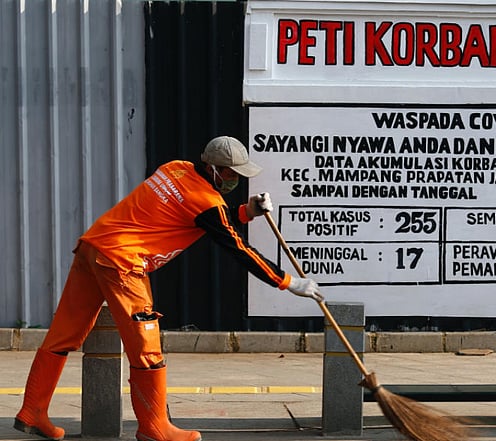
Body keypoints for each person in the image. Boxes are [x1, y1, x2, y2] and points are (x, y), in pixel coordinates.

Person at [14, 136, 323, 441]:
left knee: (63, 334)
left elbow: (182, 215)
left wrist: (245, 212)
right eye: (232, 173)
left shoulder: (174, 168)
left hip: (93, 247)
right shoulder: (209, 203)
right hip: (123, 264)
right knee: (146, 350)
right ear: (213, 168)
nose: (236, 178)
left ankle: (32, 411)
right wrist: (289, 282)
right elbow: (237, 247)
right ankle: (154, 427)